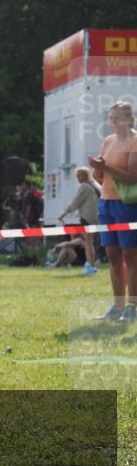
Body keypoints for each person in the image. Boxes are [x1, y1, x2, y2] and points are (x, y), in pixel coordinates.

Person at [88, 101, 137, 322]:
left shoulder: (135, 141)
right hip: (105, 203)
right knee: (113, 256)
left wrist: (105, 168)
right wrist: (98, 169)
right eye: (110, 118)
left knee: (130, 255)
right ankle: (117, 306)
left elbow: (132, 177)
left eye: (116, 118)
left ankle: (132, 306)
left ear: (128, 119)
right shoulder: (108, 141)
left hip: (127, 204)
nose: (112, 122)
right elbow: (100, 176)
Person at [57, 166, 101, 276]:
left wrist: (63, 215)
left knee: (88, 243)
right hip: (97, 217)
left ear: (85, 175)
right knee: (90, 243)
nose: (77, 178)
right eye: (76, 176)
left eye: (79, 176)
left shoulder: (84, 186)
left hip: (87, 217)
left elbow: (75, 203)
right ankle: (91, 264)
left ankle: (90, 266)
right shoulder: (96, 185)